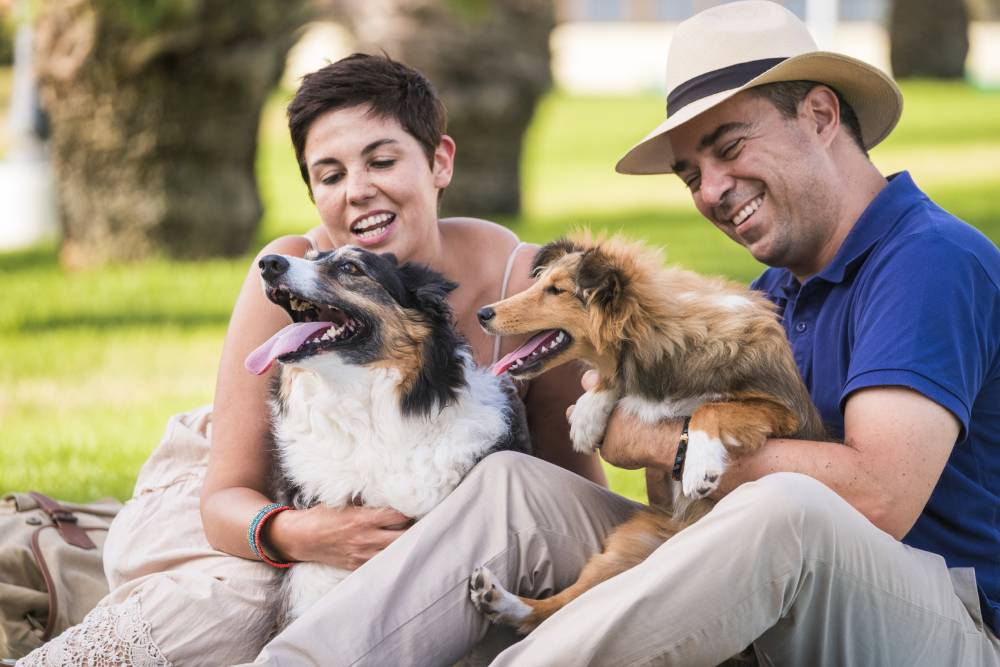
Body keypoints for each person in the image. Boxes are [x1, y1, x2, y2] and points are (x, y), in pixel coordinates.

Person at [246, 2, 1000, 665]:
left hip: (942, 623)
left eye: (729, 147)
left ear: (822, 116)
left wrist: (663, 439)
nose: (710, 189)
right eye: (689, 172)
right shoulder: (773, 296)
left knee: (787, 507)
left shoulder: (926, 259)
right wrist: (639, 397)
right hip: (768, 585)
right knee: (516, 486)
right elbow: (678, 504)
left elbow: (876, 499)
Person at [15, 54, 605, 666]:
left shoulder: (532, 289)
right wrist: (305, 535)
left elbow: (560, 491)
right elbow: (226, 496)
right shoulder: (291, 274)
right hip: (260, 495)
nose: (357, 191)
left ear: (439, 161)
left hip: (424, 532)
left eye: (382, 161)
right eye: (329, 175)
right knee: (242, 605)